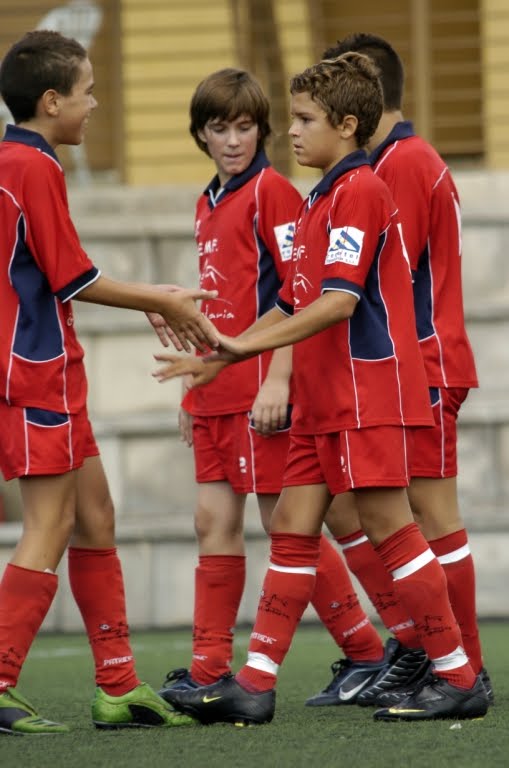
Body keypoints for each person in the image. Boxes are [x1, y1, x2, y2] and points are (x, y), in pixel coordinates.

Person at [153, 52, 489, 724]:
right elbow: (292, 300)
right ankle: (254, 684)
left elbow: (337, 302)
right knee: (291, 526)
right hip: (322, 397)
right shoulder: (319, 198)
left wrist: (244, 347)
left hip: (365, 392)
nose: (293, 131)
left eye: (305, 119)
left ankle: (458, 676)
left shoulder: (361, 190)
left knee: (388, 526)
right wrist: (218, 360)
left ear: (346, 124)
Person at [0, 29, 219, 735]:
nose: (94, 104)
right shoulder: (31, 166)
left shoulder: (15, 161)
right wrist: (163, 298)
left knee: (96, 517)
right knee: (50, 525)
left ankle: (118, 688)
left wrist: (153, 298)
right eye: (87, 92)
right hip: (34, 376)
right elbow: (73, 276)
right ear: (51, 100)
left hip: (46, 373)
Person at [156, 67, 388, 711]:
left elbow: (301, 294)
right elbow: (217, 305)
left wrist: (279, 379)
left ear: (261, 131)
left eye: (245, 127)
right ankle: (209, 666)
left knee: (286, 523)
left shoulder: (275, 193)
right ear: (200, 134)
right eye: (219, 128)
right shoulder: (207, 201)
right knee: (211, 521)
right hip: (216, 385)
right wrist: (193, 384)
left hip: (259, 386)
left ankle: (367, 651)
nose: (233, 140)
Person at [315, 32, 492, 708]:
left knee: (430, 512)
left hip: (423, 361)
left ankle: (461, 669)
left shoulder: (403, 165)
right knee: (353, 506)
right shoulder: (388, 162)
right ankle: (421, 645)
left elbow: (377, 276)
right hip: (407, 365)